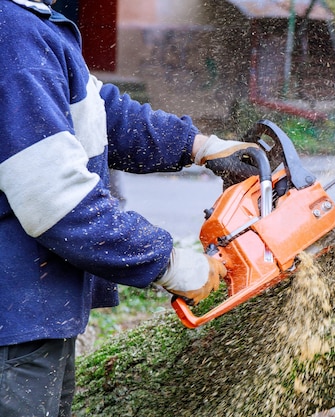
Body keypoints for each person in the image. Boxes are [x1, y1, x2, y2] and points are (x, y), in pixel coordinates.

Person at [0, 1, 257, 415]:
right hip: (12, 322)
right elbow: (58, 201)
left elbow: (94, 110)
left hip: (28, 315)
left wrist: (200, 147)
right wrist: (171, 264)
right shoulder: (12, 33)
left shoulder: (29, 25)